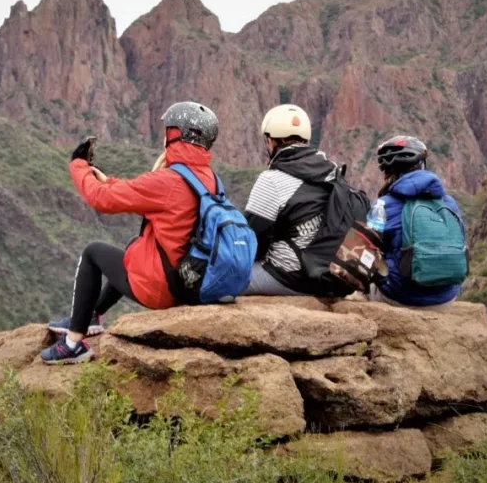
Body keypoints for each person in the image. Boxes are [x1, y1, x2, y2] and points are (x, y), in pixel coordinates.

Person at [40, 101, 222, 365]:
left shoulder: (169, 180)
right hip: (190, 281)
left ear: (175, 134)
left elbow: (101, 199)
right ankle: (92, 316)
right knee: (134, 247)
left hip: (163, 290)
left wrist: (78, 166)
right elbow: (142, 192)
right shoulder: (208, 178)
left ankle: (72, 344)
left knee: (93, 252)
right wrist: (109, 180)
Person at [240, 104, 343, 296]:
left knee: (216, 279)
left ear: (271, 142)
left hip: (290, 277)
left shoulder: (272, 179)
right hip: (327, 277)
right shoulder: (332, 172)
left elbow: (253, 239)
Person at [365, 135, 463, 307]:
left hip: (400, 298)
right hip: (446, 299)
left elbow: (368, 247)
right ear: (422, 165)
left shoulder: (383, 205)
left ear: (388, 171)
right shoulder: (449, 203)